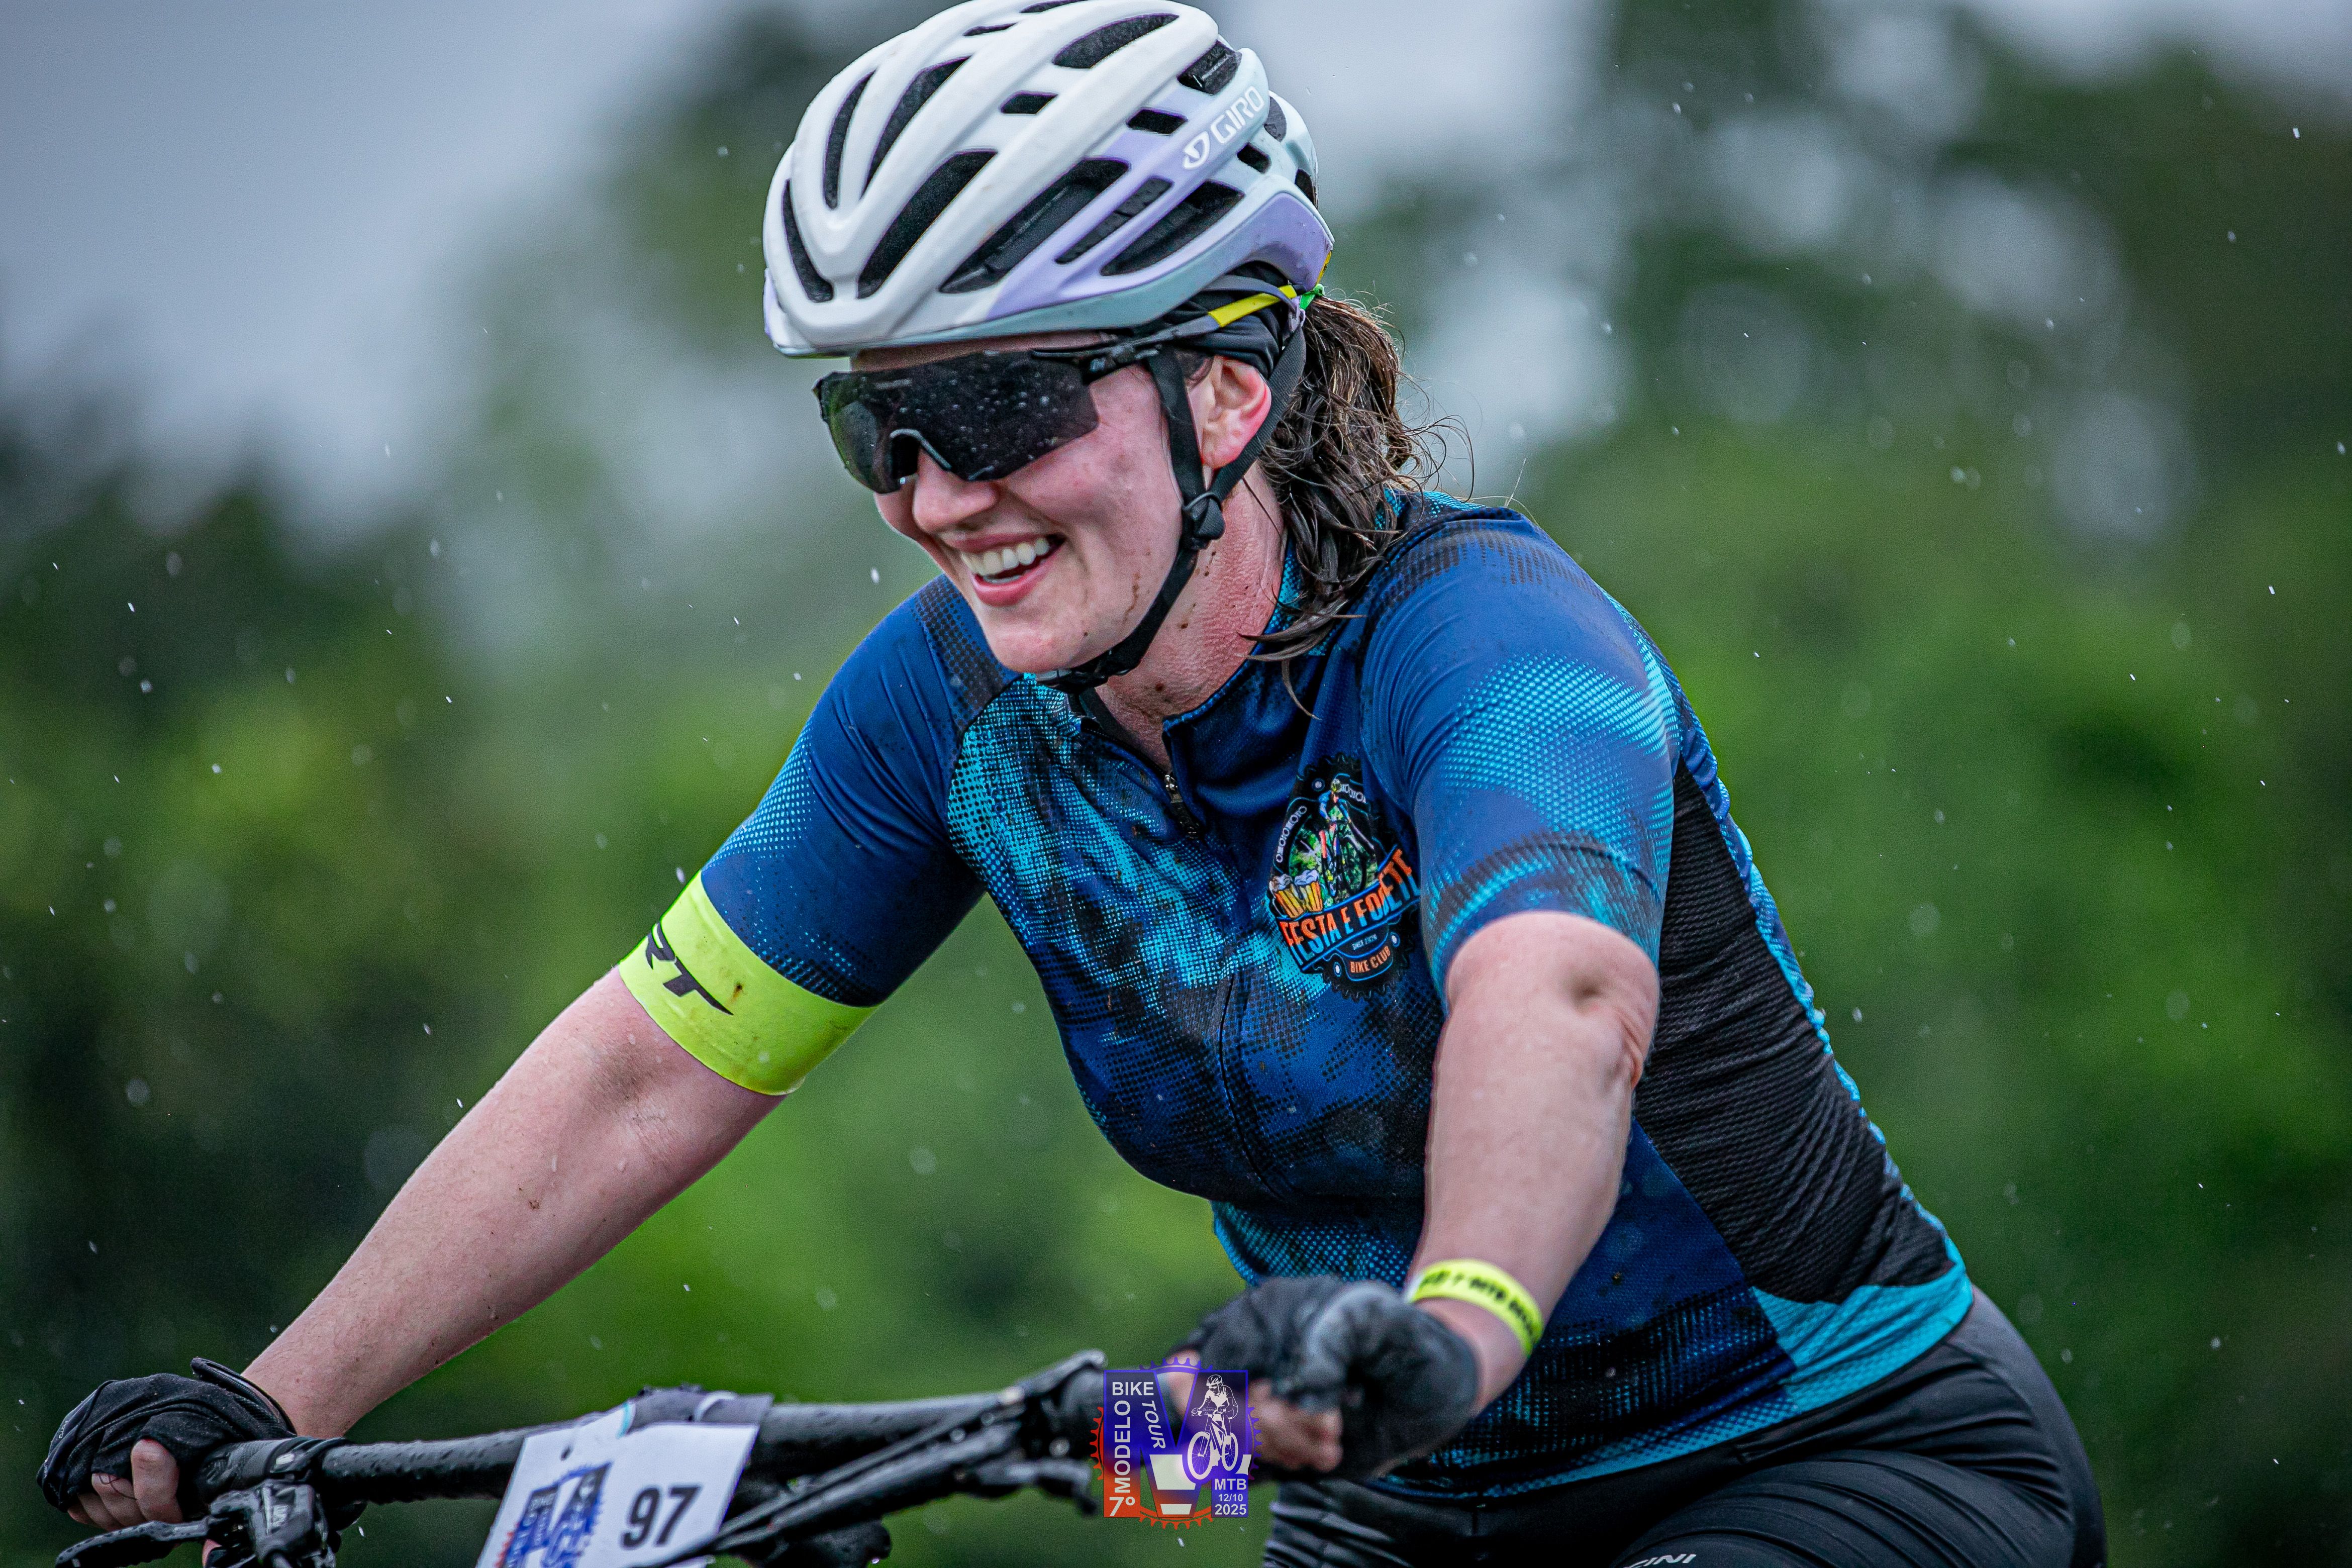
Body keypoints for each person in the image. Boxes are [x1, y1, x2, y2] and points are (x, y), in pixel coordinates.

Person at [40, 3, 2105, 1563]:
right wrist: (269, 1407)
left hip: (1830, 1460)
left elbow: (1557, 1006)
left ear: (1229, 387)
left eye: (1001, 406)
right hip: (1387, 1490)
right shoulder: (950, 714)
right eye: (880, 430)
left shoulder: (1490, 646)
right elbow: (647, 1074)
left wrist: (1454, 1324)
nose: (937, 498)